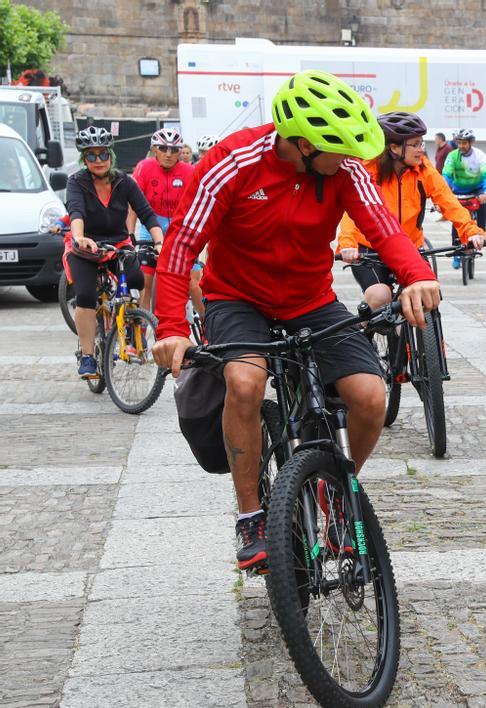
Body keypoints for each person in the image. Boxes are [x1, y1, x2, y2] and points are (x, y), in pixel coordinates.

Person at [151, 70, 440, 573]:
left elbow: (383, 228)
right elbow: (180, 247)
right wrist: (170, 327)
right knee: (244, 382)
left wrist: (415, 274)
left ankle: (334, 494)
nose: (353, 159)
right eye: (340, 149)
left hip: (310, 298)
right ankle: (252, 518)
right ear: (304, 144)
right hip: (237, 297)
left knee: (369, 397)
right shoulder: (232, 162)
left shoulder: (343, 169)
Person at [338, 111, 486, 305]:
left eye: (422, 143)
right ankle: (367, 329)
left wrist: (470, 231)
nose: (421, 150)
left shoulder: (423, 170)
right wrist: (348, 243)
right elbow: (352, 211)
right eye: (415, 144)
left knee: (428, 296)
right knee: (380, 297)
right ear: (394, 148)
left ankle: (434, 337)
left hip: (409, 247)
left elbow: (449, 203)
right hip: (369, 250)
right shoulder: (369, 170)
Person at [65, 126, 164, 379]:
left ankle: (132, 326)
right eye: (91, 156)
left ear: (111, 156)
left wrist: (159, 242)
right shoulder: (76, 182)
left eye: (103, 155)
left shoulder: (124, 181)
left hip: (118, 244)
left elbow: (146, 213)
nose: (98, 161)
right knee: (86, 295)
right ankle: (87, 356)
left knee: (137, 280)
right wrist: (79, 238)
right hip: (87, 246)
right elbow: (76, 212)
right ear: (84, 159)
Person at [132, 127, 200, 314]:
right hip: (151, 228)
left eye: (174, 150)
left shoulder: (189, 171)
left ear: (180, 151)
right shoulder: (144, 168)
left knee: (192, 285)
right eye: (163, 148)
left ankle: (207, 327)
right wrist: (129, 235)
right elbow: (132, 206)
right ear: (154, 149)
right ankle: (141, 331)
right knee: (145, 284)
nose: (168, 154)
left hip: (179, 229)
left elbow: (198, 206)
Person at [441, 129, 486, 257]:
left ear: (471, 143)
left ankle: (481, 233)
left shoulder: (479, 155)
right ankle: (456, 250)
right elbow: (446, 174)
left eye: (464, 143)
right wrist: (446, 192)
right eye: (459, 143)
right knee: (457, 218)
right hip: (458, 190)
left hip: (477, 189)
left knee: (482, 204)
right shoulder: (452, 156)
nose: (461, 146)